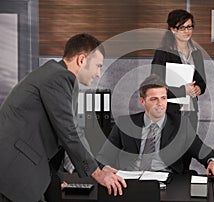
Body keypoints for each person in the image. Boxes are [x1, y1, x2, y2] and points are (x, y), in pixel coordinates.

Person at [0, 33, 126, 202]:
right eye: (98, 66)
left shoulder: (54, 74)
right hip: (16, 171)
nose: (98, 73)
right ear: (82, 60)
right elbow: (69, 132)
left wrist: (99, 167)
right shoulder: (58, 78)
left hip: (27, 169)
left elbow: (61, 133)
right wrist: (98, 174)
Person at [97, 74, 214, 176]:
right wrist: (105, 168)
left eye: (163, 98)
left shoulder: (181, 125)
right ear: (143, 101)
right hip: (129, 181)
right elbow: (103, 156)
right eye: (154, 99)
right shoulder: (124, 123)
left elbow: (203, 150)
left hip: (167, 181)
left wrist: (213, 162)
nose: (160, 103)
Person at [151, 9, 206, 133]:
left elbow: (202, 81)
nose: (187, 31)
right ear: (172, 29)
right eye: (182, 28)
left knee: (189, 148)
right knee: (172, 150)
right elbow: (155, 87)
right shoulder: (163, 53)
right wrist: (183, 90)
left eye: (189, 27)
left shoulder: (196, 53)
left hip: (191, 111)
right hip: (169, 111)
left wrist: (199, 88)